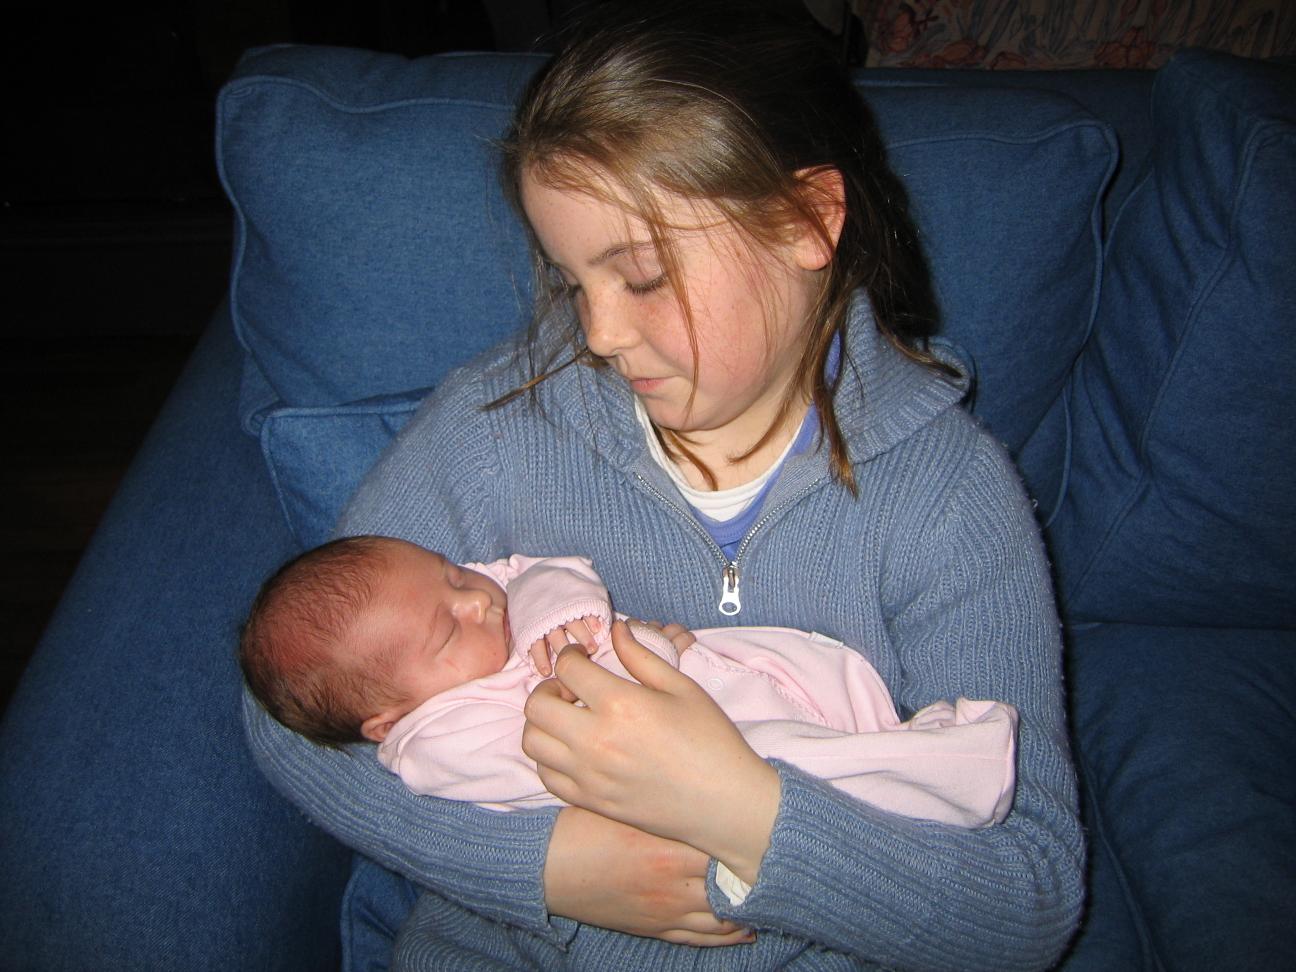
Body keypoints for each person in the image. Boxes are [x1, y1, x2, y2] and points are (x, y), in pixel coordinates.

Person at [242, 2, 1084, 968]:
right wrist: (548, 863)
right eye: (573, 283)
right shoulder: (497, 427)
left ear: (806, 221)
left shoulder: (946, 499)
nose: (598, 334)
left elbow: (1028, 896)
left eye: (641, 276)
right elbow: (293, 711)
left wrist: (744, 812)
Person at [239, 535, 1018, 839]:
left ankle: (893, 739)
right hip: (688, 765)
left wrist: (554, 616)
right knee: (802, 770)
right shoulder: (436, 745)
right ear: (388, 720)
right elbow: (554, 757)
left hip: (708, 679)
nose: (477, 600)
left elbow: (537, 569)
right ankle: (952, 772)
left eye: (451, 575)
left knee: (816, 668)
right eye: (448, 630)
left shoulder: (488, 607)